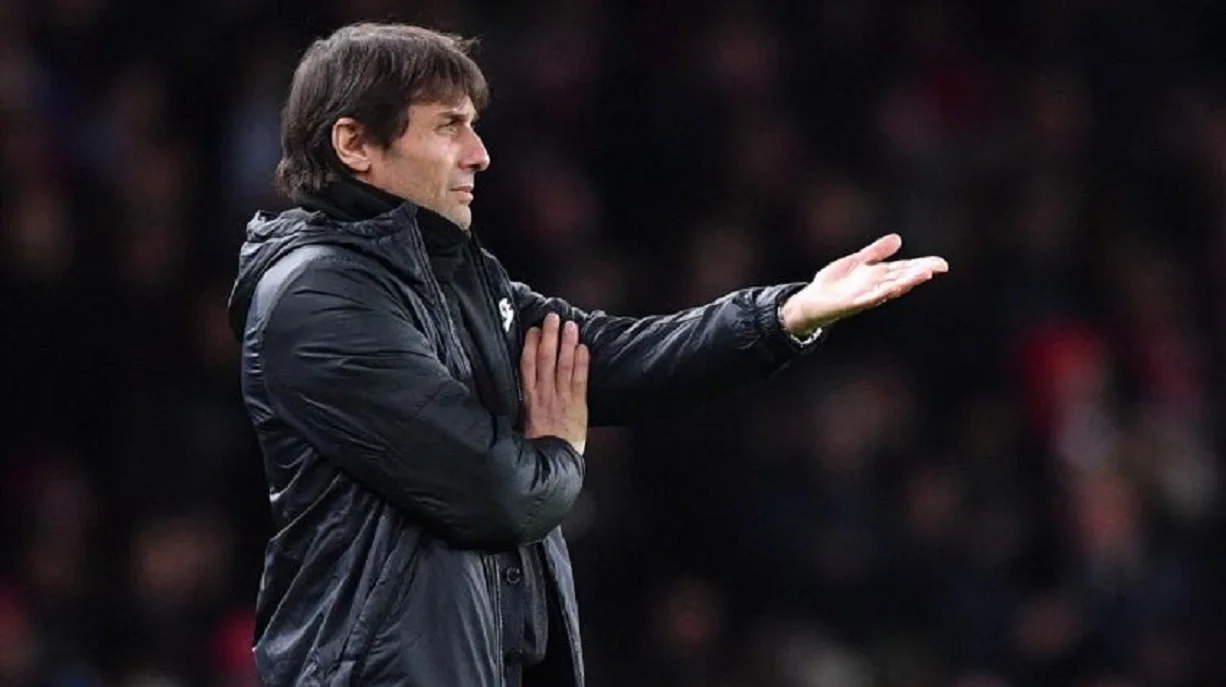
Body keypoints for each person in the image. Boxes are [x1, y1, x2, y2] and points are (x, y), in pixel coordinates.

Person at [226, 22, 948, 687]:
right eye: (448, 126)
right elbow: (495, 490)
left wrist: (782, 316)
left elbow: (601, 356)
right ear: (355, 144)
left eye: (473, 126)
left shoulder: (455, 272)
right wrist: (561, 452)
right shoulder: (316, 297)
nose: (479, 154)